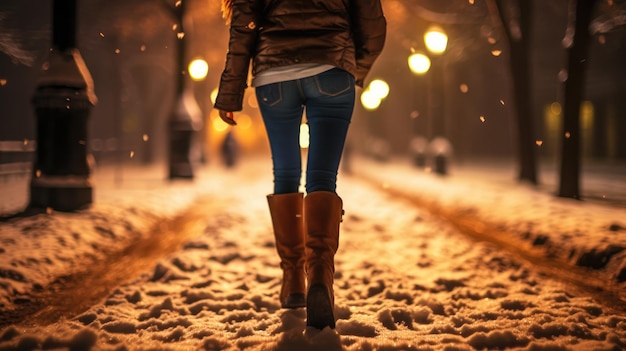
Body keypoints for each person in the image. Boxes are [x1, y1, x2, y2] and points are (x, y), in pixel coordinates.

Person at [215, 0, 386, 330]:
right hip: (332, 67)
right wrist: (353, 66)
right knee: (323, 177)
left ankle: (293, 278)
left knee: (286, 174)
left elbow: (243, 26)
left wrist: (230, 91)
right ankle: (320, 273)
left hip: (274, 74)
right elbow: (373, 26)